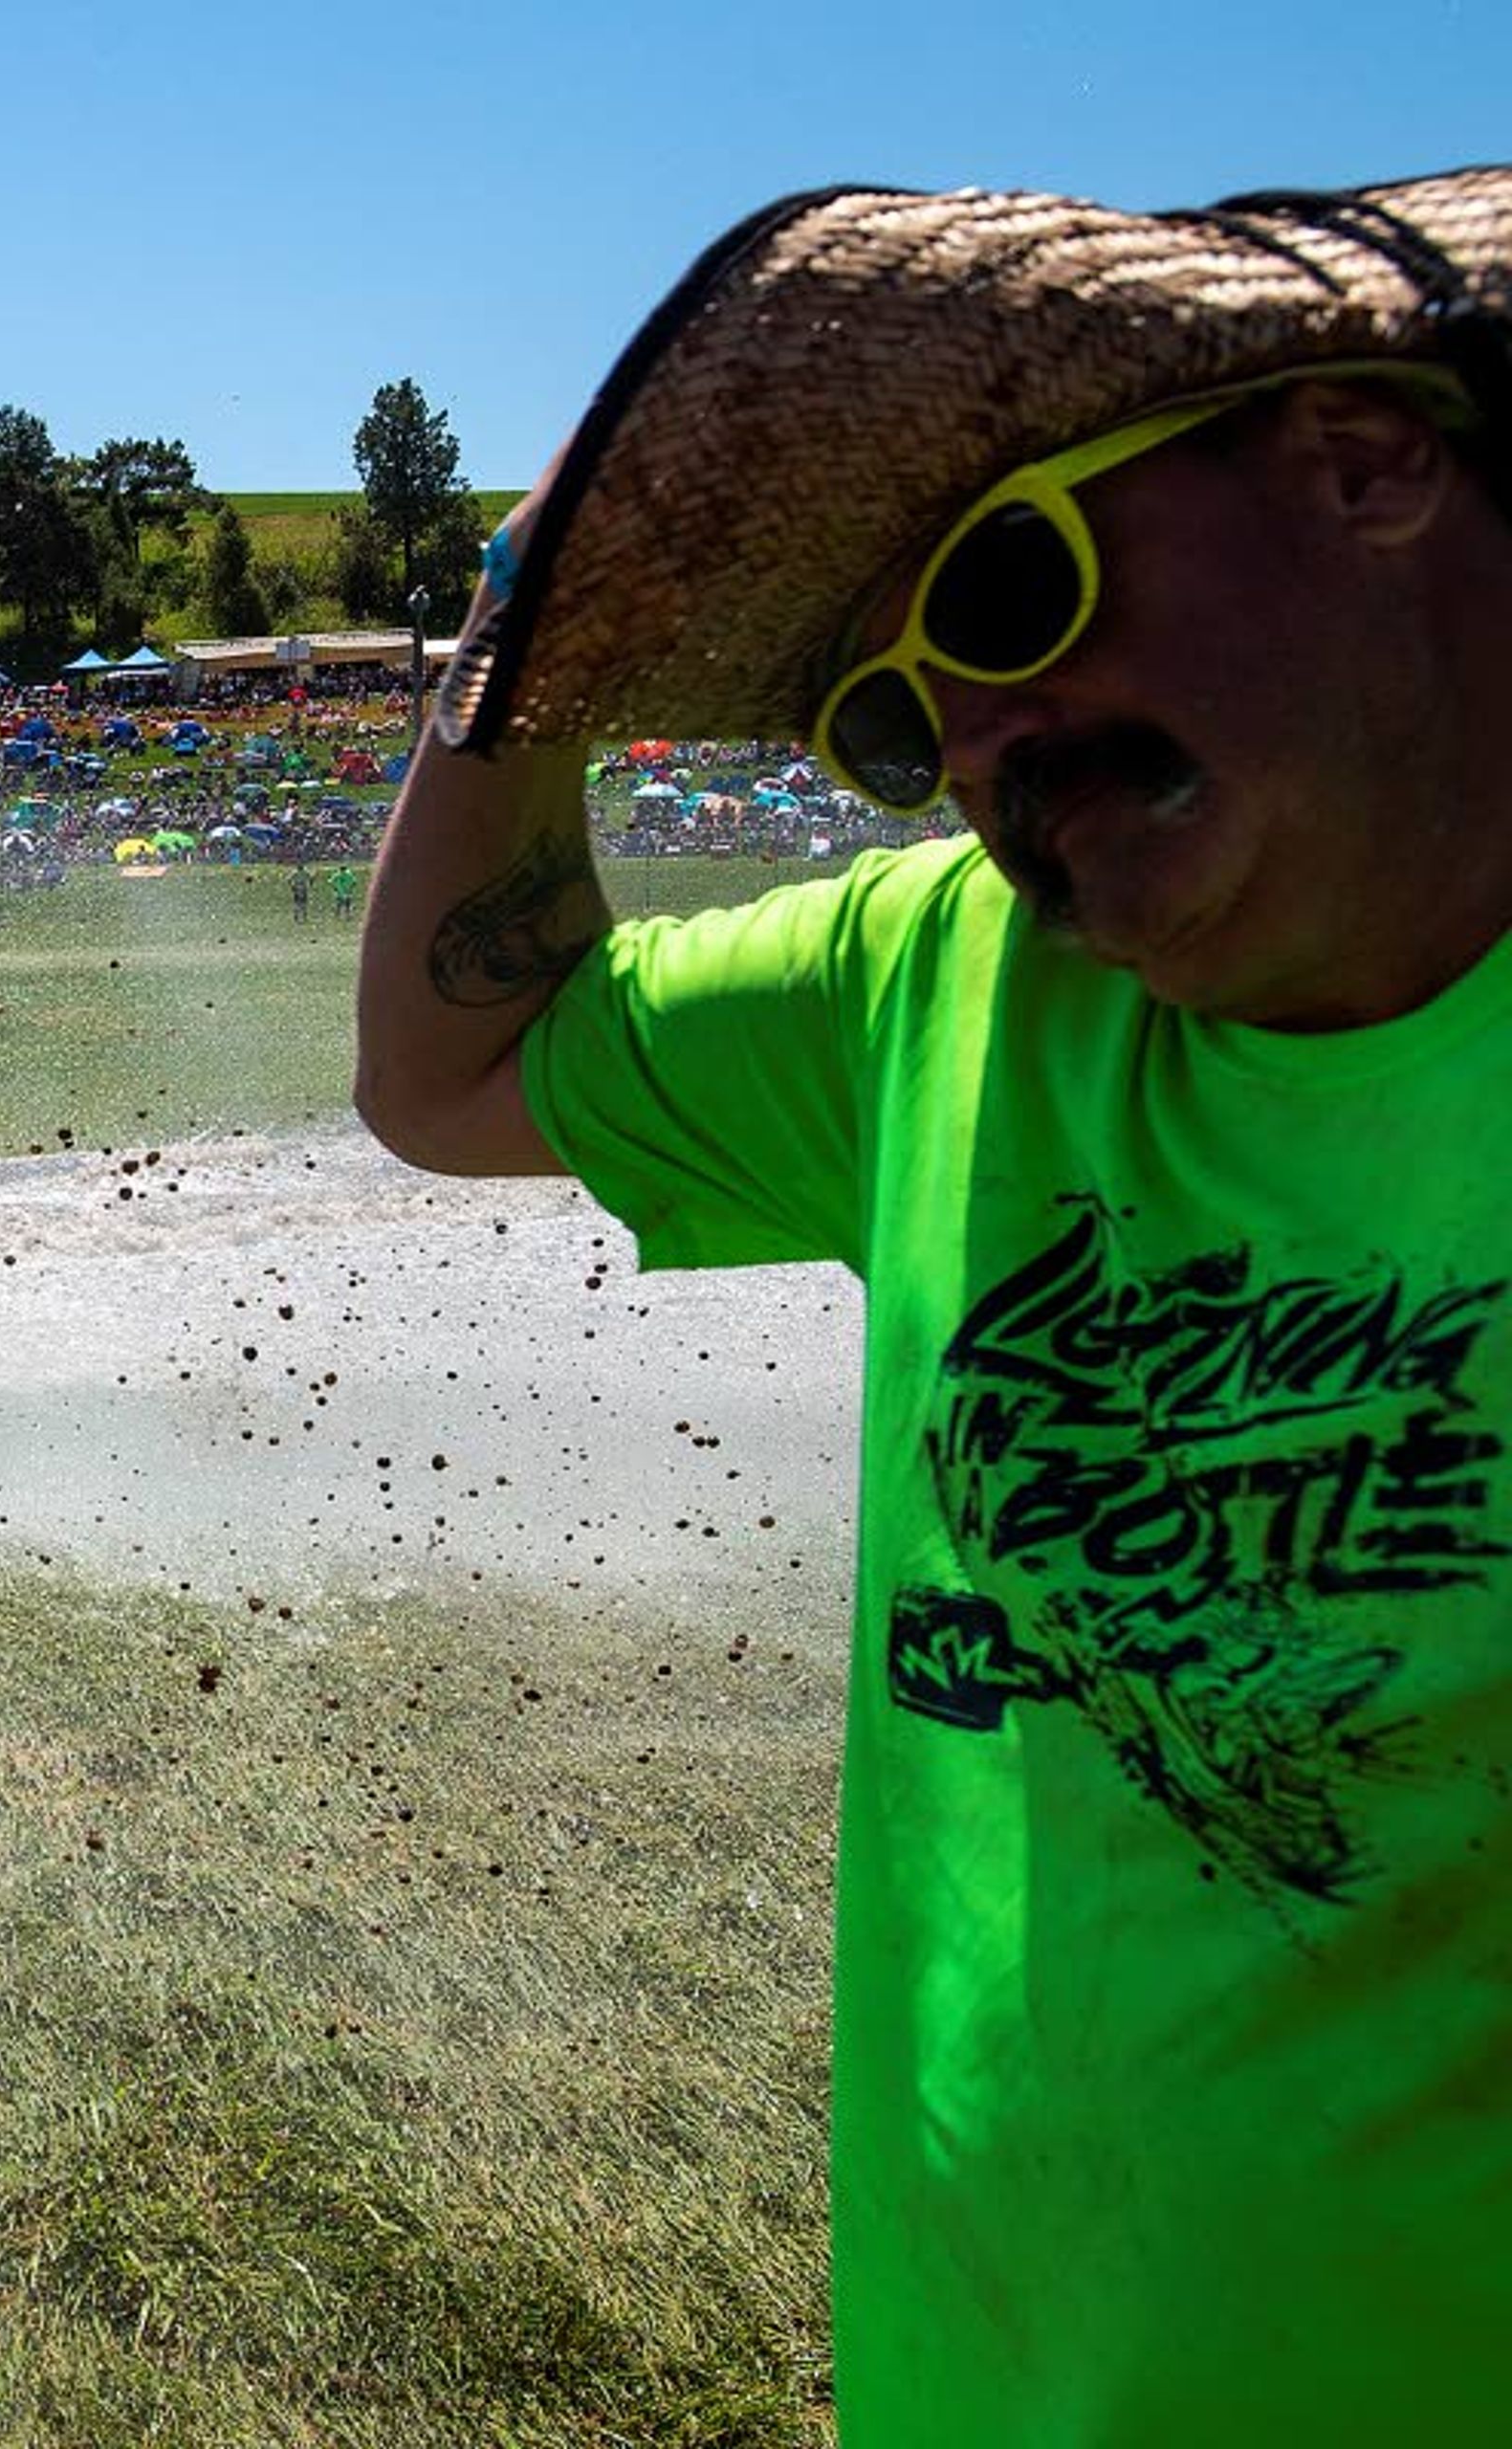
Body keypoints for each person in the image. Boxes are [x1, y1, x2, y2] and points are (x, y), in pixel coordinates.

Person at [353, 167, 1512, 2446]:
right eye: (894, 721)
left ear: (1362, 457)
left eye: (1008, 583)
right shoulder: (924, 976)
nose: (977, 745)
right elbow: (447, 1064)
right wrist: (519, 662)